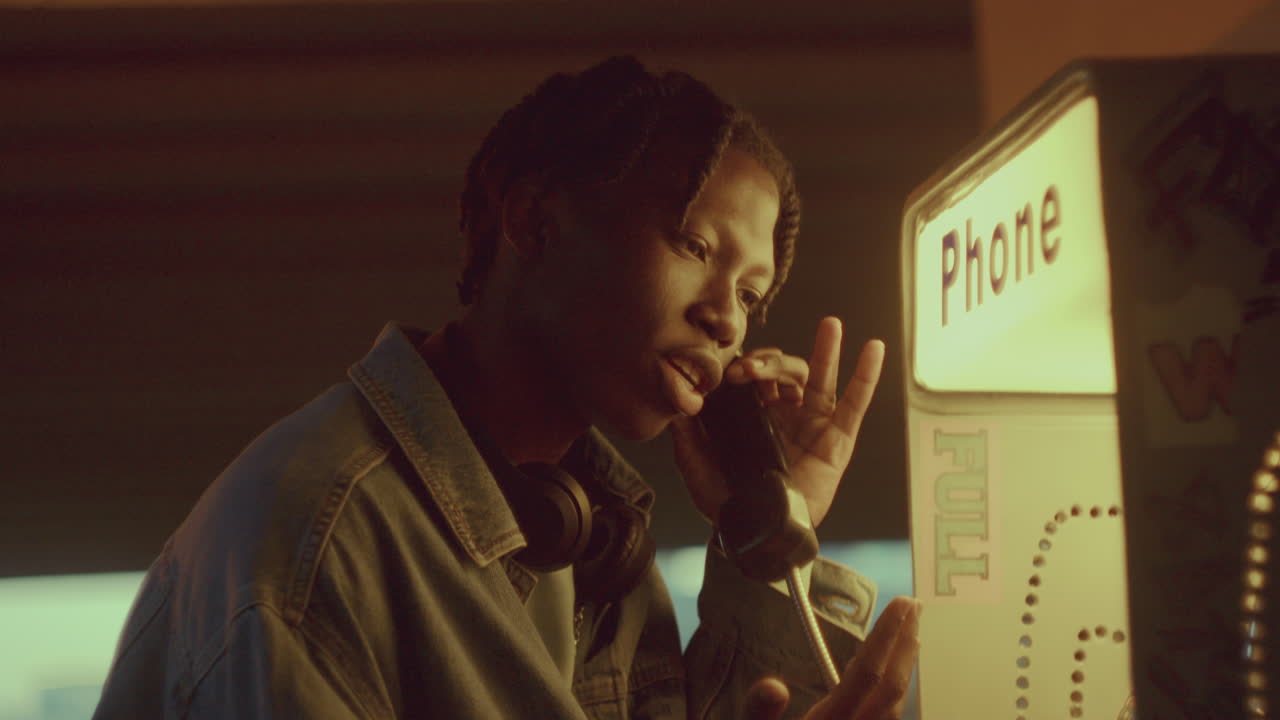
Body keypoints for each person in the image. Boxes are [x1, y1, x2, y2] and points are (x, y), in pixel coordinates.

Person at [92, 55, 919, 719]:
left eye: (751, 294)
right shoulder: (314, 547)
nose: (728, 320)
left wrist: (765, 538)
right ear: (534, 221)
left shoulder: (591, 549)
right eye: (695, 245)